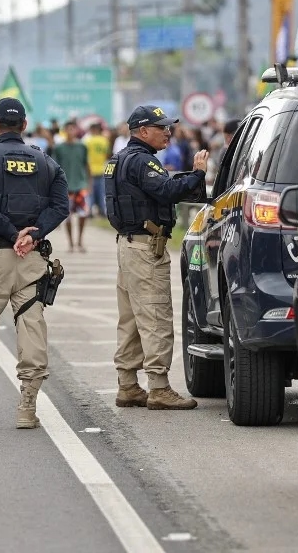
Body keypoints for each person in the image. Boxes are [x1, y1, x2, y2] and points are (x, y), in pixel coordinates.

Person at [0, 97, 69, 429]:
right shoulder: (47, 163)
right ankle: (27, 407)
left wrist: (9, 232)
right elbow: (61, 207)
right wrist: (31, 236)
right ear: (23, 125)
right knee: (31, 326)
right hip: (32, 259)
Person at [105, 105, 208, 410]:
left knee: (131, 321)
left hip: (128, 246)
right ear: (143, 131)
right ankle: (159, 388)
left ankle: (128, 385)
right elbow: (165, 191)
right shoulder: (142, 161)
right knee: (155, 317)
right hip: (146, 248)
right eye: (161, 127)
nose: (168, 132)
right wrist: (198, 174)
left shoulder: (119, 159)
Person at [51, 120, 89, 252]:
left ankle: (80, 241)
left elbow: (86, 165)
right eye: (68, 129)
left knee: (83, 214)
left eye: (73, 129)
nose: (71, 131)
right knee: (67, 216)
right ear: (64, 131)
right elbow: (55, 168)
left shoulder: (82, 147)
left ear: (76, 131)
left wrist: (88, 184)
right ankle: (71, 243)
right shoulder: (59, 148)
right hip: (66, 187)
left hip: (80, 185)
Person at [84, 121, 110, 218]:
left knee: (90, 192)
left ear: (92, 130)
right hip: (101, 168)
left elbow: (85, 156)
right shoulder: (104, 140)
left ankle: (89, 211)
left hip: (90, 169)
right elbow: (107, 154)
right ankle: (102, 210)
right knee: (102, 192)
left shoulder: (88, 141)